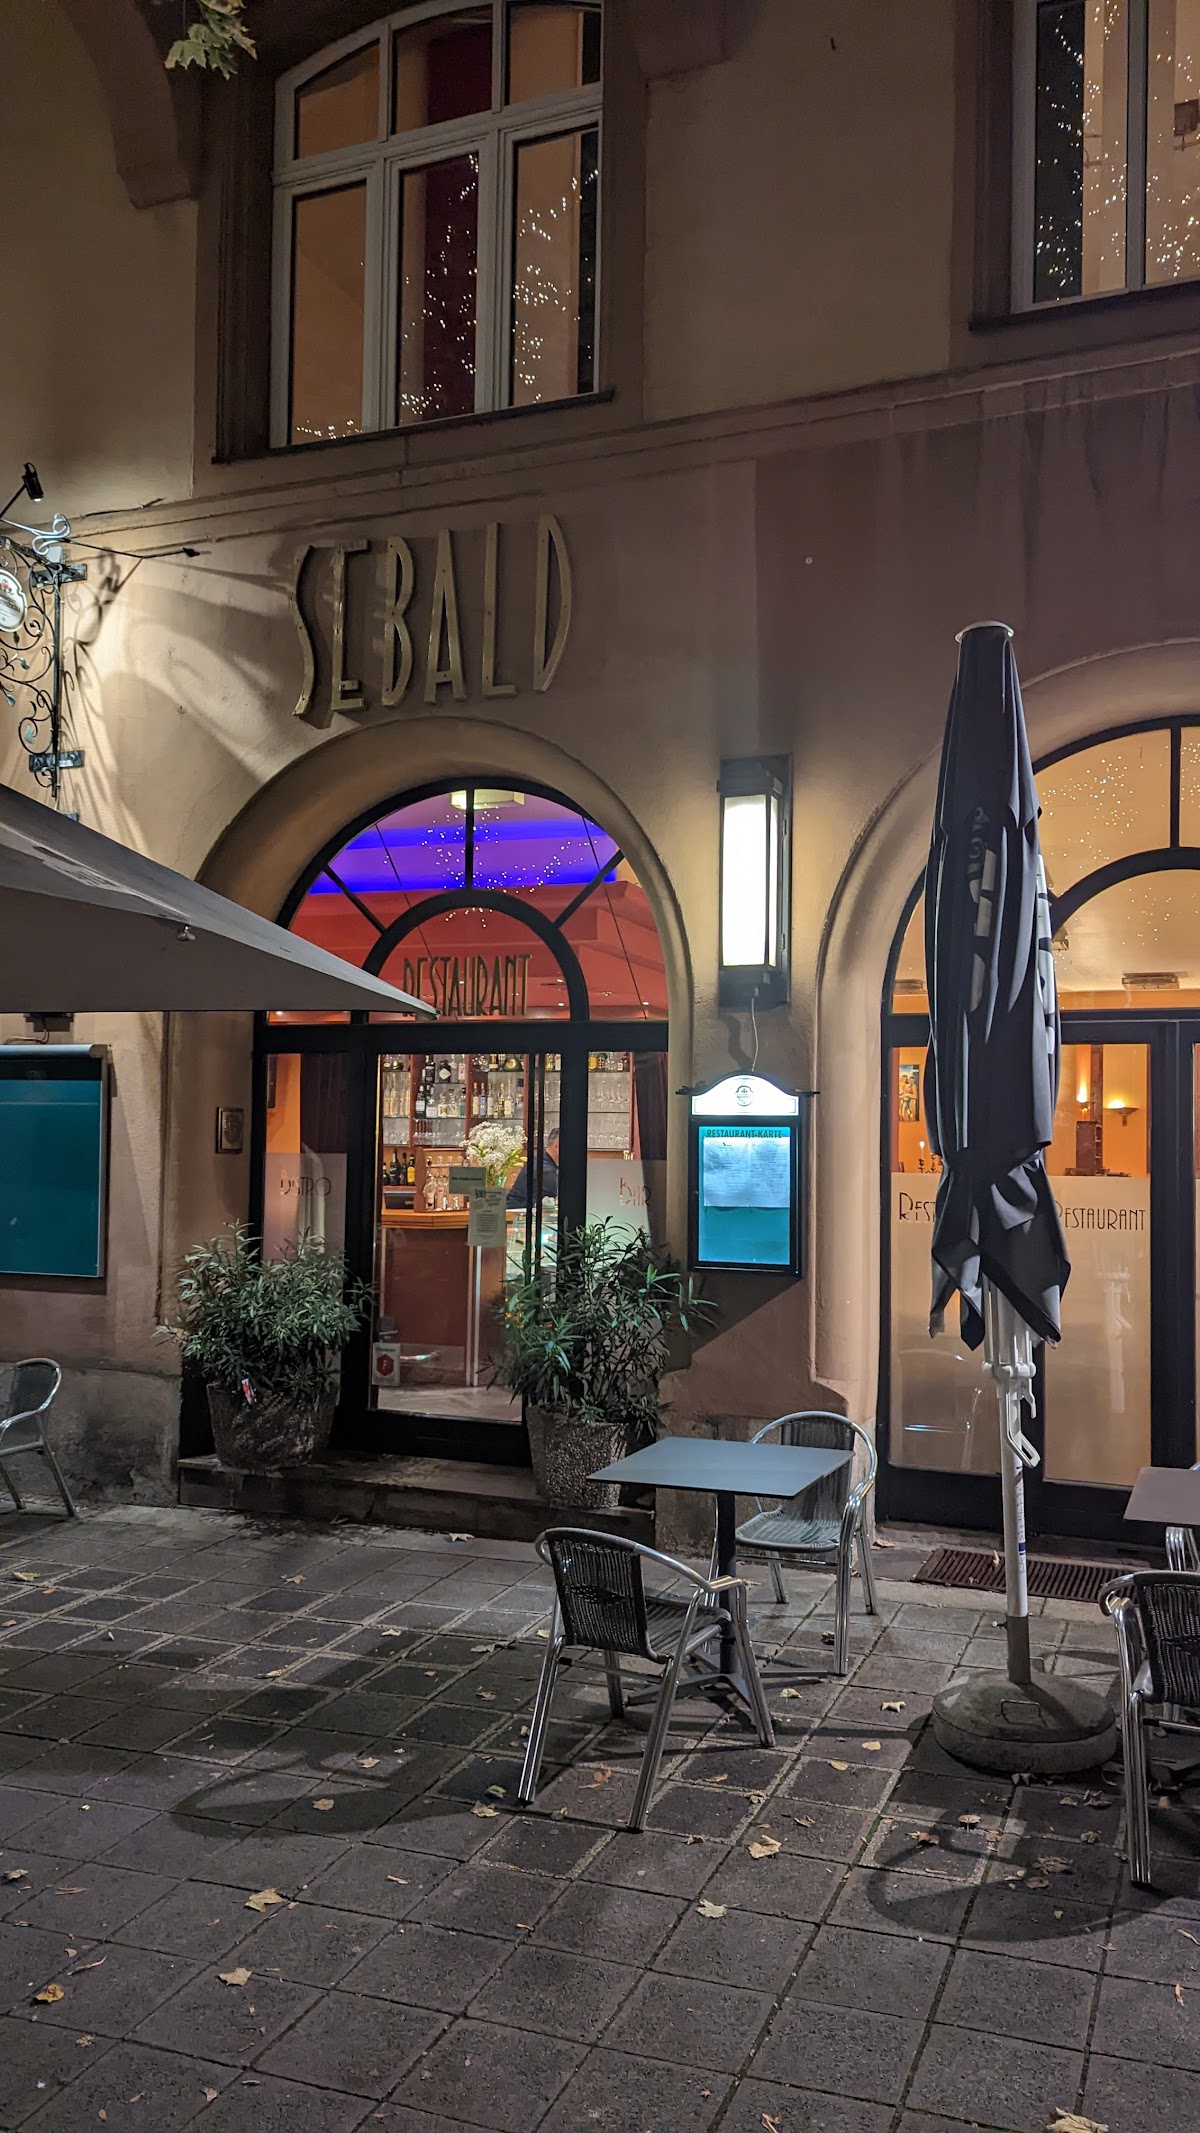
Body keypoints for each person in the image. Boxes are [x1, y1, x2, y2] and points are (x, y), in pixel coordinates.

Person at [506, 1130, 560, 1209]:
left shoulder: (540, 1161)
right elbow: (548, 1203)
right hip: (518, 1212)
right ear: (556, 1146)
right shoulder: (545, 1169)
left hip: (518, 1210)